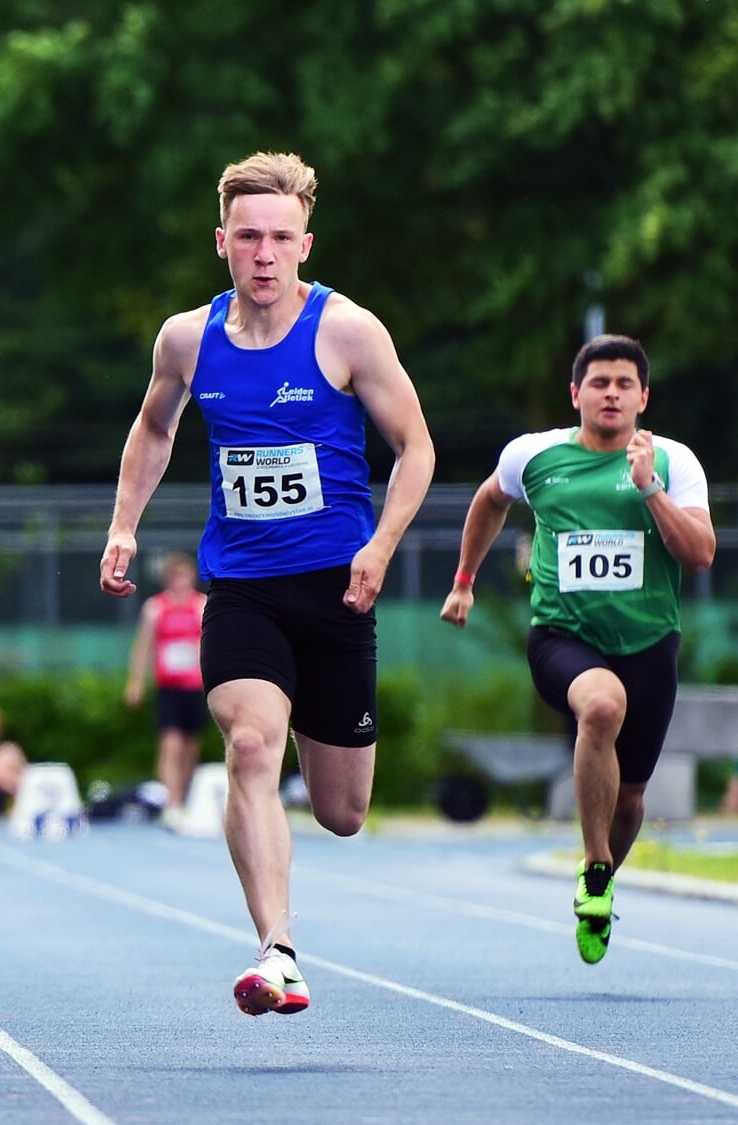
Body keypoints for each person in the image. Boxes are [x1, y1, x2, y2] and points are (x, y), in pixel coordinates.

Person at [99, 152, 435, 1017]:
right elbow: (152, 428)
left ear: (304, 244)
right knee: (250, 743)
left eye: (281, 238)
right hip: (241, 586)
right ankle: (276, 949)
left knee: (343, 810)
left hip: (337, 589)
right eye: (247, 236)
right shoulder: (187, 338)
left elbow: (417, 449)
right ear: (222, 242)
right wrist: (123, 525)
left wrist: (382, 545)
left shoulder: (349, 331)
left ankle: (305, 778)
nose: (263, 253)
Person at [440, 334, 713, 965]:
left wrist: (649, 490)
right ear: (576, 394)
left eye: (624, 384)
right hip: (562, 637)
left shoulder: (674, 462)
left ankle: (605, 877)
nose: (611, 393)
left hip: (649, 643)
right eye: (599, 383)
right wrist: (463, 582)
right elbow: (489, 501)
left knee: (634, 797)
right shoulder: (534, 457)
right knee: (600, 707)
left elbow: (699, 556)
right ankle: (593, 872)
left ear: (643, 396)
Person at [124, 552, 209, 826]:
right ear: (168, 580)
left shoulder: (201, 605)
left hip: (195, 685)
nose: (180, 582)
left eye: (185, 577)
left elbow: (211, 644)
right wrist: (135, 682)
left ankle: (182, 797)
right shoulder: (156, 608)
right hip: (168, 686)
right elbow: (143, 646)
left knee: (189, 747)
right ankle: (171, 802)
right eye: (175, 577)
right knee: (170, 744)